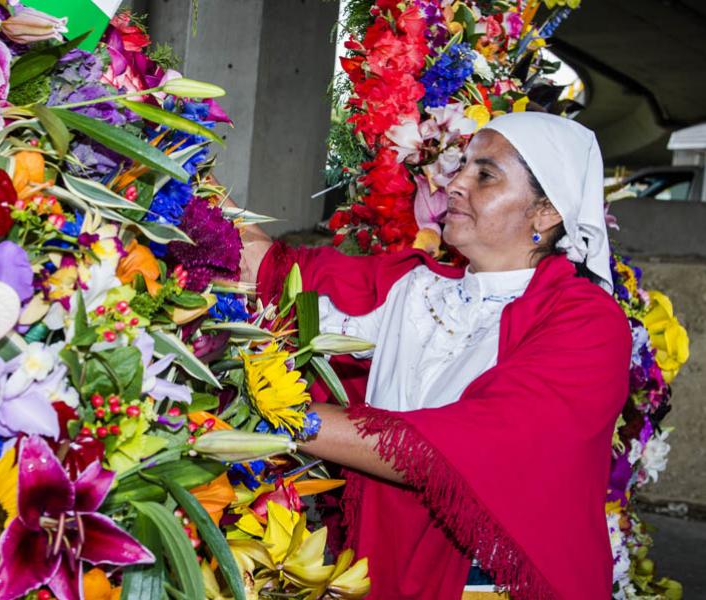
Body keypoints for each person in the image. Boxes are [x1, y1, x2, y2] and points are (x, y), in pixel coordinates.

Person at [238, 112, 631, 599]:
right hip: (380, 566)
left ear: (547, 212)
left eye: (484, 174)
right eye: (461, 166)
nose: (456, 184)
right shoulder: (415, 287)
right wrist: (180, 157)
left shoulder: (587, 322)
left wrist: (287, 419)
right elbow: (266, 269)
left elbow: (479, 442)